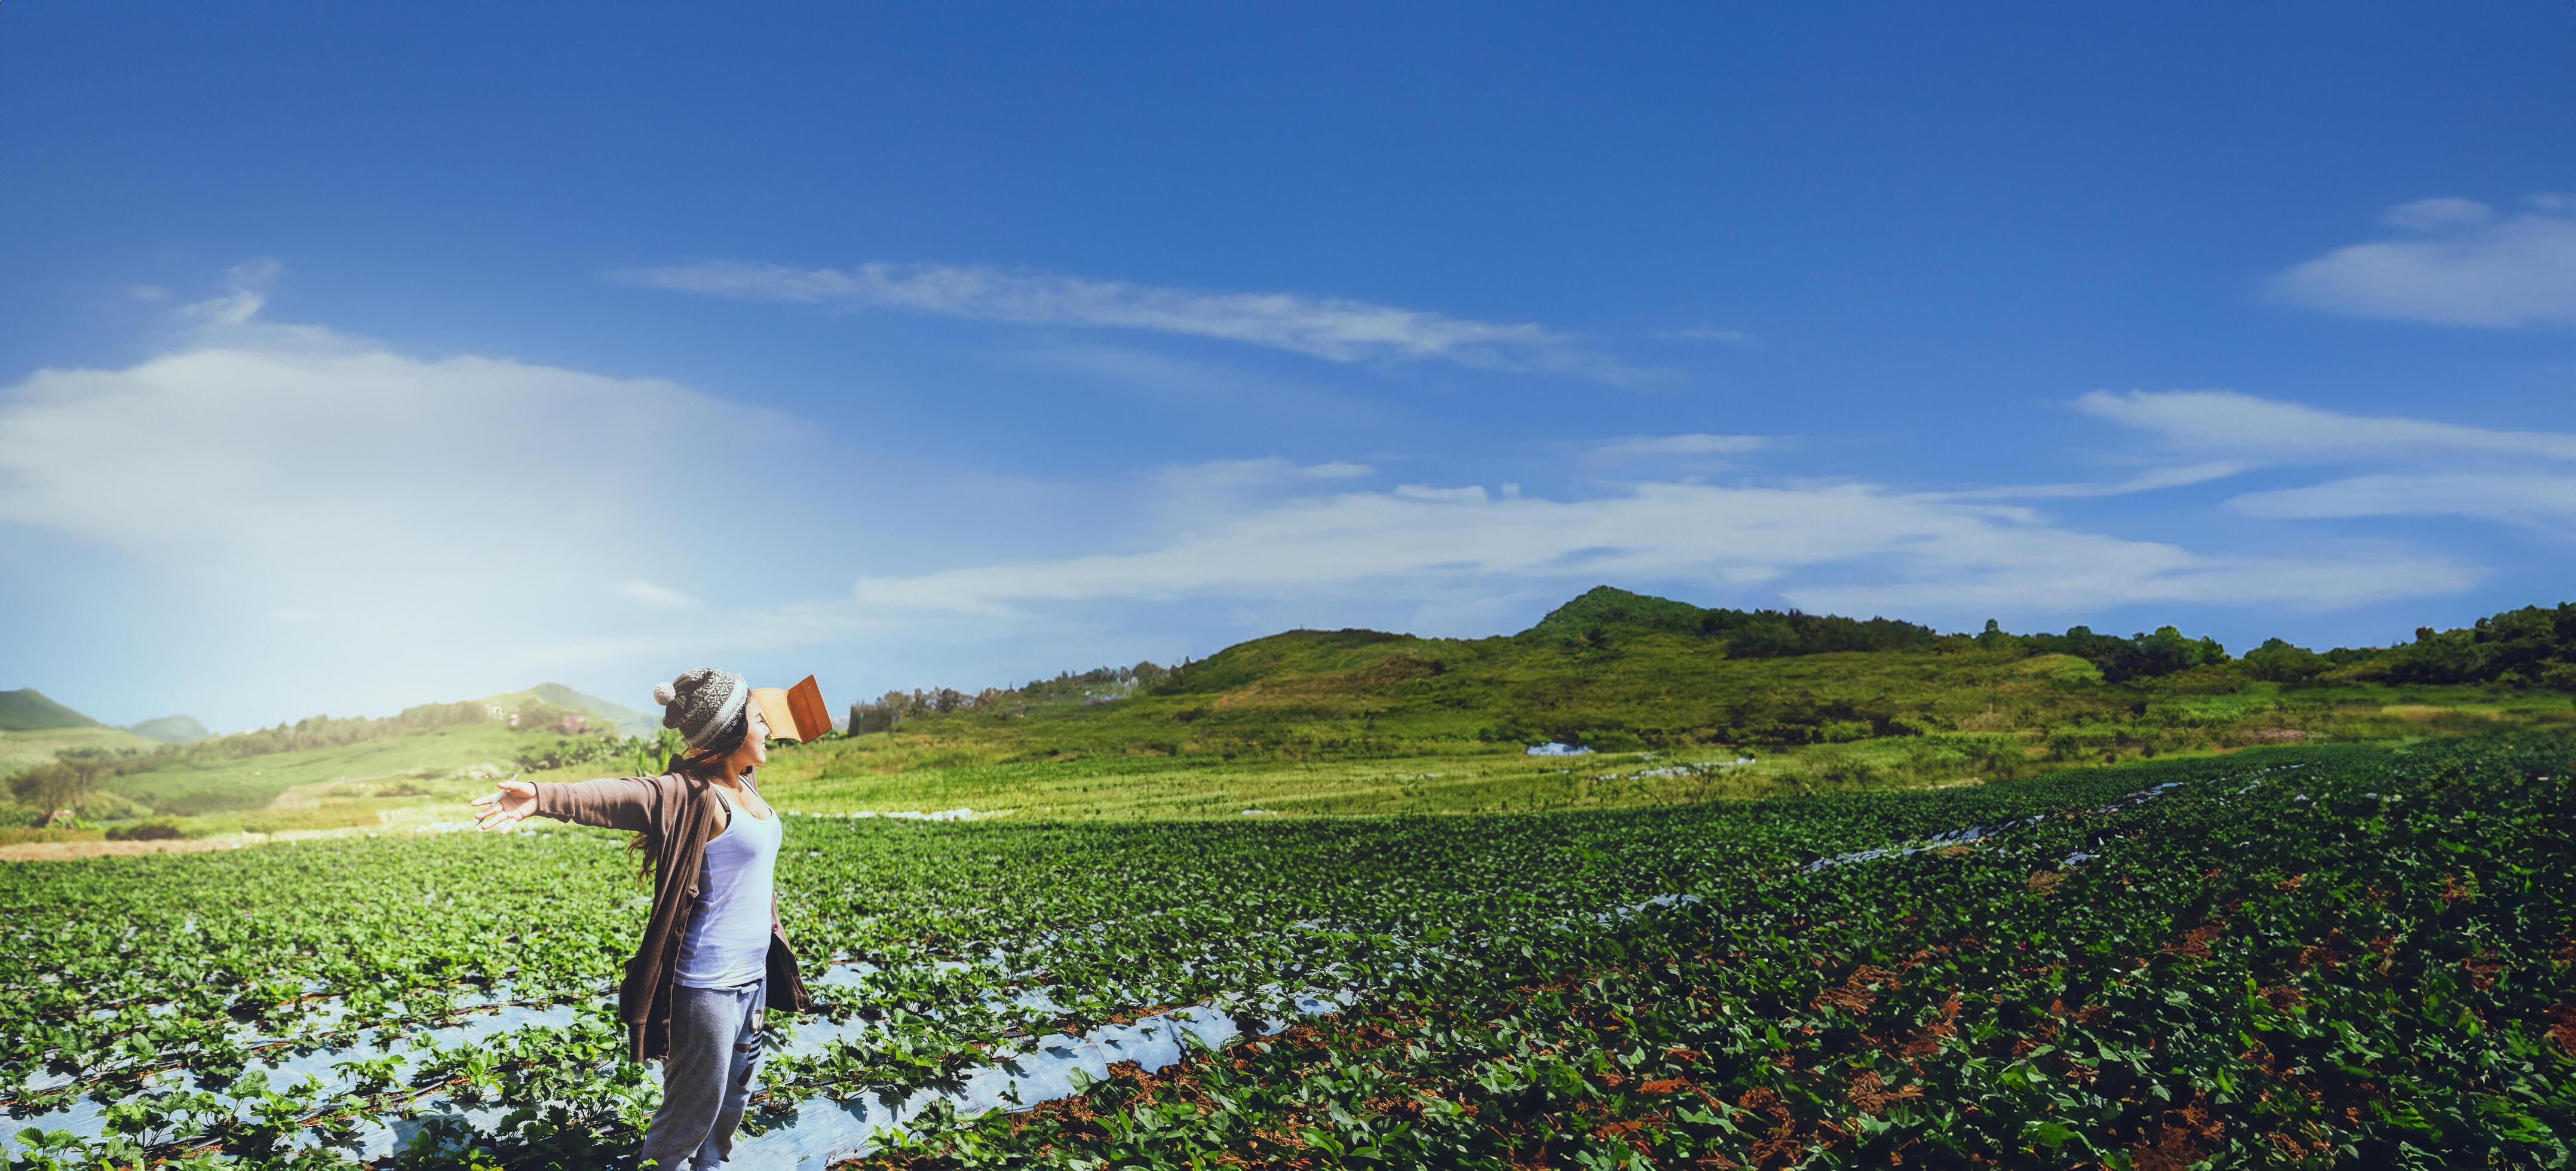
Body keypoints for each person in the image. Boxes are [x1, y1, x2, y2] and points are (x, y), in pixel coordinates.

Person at [469, 667, 814, 1170]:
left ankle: (712, 1167)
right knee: (689, 1115)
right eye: (759, 722)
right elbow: (624, 795)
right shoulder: (694, 795)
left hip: (753, 980)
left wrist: (785, 710)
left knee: (732, 1104)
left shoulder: (745, 784)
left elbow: (777, 720)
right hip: (708, 989)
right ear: (731, 732)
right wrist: (543, 797)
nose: (770, 732)